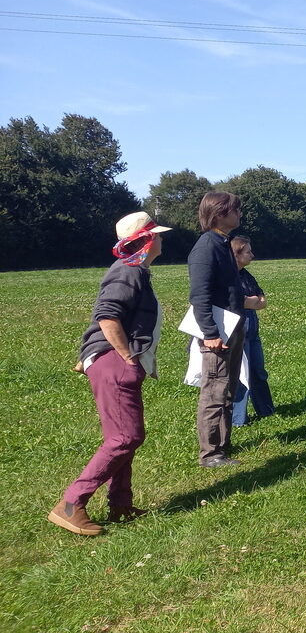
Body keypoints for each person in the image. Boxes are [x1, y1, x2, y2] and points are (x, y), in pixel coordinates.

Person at [48, 212, 171, 535]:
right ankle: (71, 505)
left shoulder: (136, 272)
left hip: (111, 362)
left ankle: (120, 506)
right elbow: (107, 317)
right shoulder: (128, 272)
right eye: (156, 234)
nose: (161, 239)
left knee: (123, 438)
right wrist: (127, 356)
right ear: (145, 240)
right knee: (126, 437)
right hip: (115, 363)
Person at [189, 191, 246, 468]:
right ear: (220, 213)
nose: (239, 214)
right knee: (214, 392)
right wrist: (210, 333)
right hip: (217, 334)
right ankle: (210, 454)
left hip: (232, 327)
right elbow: (199, 295)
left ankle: (222, 446)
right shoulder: (206, 247)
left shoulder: (223, 243)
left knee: (228, 390)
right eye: (235, 210)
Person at [230, 236, 273, 427]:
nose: (252, 255)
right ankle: (238, 420)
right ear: (236, 254)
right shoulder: (227, 276)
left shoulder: (246, 275)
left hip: (253, 331)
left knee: (258, 371)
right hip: (238, 330)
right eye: (248, 252)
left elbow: (262, 302)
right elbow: (234, 302)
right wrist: (250, 301)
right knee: (241, 375)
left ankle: (267, 411)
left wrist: (249, 302)